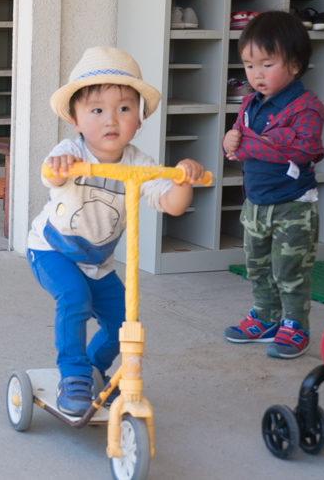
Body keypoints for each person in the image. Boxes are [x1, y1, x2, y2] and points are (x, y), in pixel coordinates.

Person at [27, 47, 206, 416]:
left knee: (125, 323)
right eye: (97, 110)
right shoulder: (71, 152)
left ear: (139, 119)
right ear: (75, 120)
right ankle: (73, 375)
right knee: (74, 299)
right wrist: (60, 166)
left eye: (124, 108)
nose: (111, 119)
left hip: (98, 263)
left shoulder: (140, 163)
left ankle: (94, 369)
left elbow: (172, 203)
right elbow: (51, 175)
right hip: (52, 250)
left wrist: (183, 179)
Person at [222, 11, 324, 359]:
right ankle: (265, 317)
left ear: (294, 65)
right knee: (258, 267)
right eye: (249, 65)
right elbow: (238, 142)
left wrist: (249, 144)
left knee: (289, 270)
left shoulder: (306, 106)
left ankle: (296, 325)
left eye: (267, 64)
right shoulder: (250, 103)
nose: (256, 74)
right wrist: (230, 142)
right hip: (255, 202)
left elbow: (302, 149)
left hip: (293, 206)